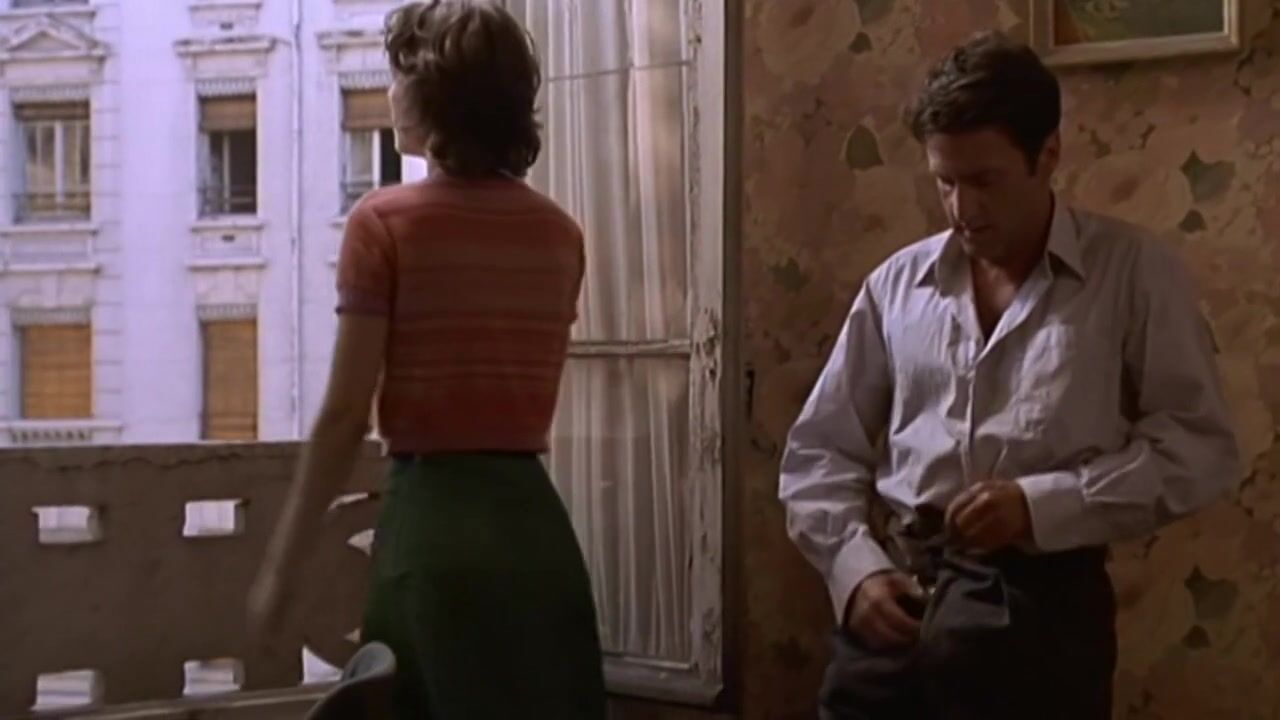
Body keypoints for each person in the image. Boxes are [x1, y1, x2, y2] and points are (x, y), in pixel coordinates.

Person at [778, 31, 1241, 720]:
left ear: (1047, 154)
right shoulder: (896, 286)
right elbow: (820, 450)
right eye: (945, 182)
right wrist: (855, 571)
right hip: (900, 596)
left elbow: (1200, 450)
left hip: (1044, 612)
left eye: (984, 180)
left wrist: (1040, 504)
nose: (962, 209)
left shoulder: (1133, 274)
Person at [246, 2, 607, 718]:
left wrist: (283, 566)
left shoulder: (382, 225)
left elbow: (345, 414)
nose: (389, 91)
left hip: (436, 532)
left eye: (399, 75)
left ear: (430, 95)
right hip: (535, 536)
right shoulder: (560, 234)